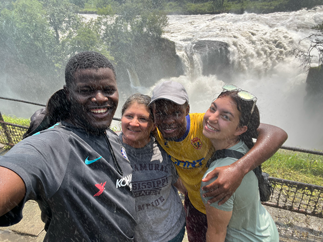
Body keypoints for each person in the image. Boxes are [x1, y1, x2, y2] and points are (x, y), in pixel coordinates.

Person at [0, 51, 136, 241]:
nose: (100, 98)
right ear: (68, 94)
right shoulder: (52, 145)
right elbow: (20, 164)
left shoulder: (110, 136)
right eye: (86, 90)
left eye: (108, 89)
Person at [149, 80, 287, 242]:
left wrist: (238, 169)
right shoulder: (156, 131)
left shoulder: (206, 126)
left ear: (187, 110)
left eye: (176, 113)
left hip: (222, 206)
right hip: (196, 206)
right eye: (160, 114)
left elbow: (276, 133)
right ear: (153, 115)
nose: (168, 120)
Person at [200, 85, 279, 241]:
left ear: (240, 129)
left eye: (225, 117)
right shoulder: (249, 150)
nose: (212, 118)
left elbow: (216, 234)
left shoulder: (216, 177)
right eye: (212, 108)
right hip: (266, 231)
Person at [119, 93, 186, 242]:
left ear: (153, 125)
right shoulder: (108, 149)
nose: (134, 123)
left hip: (171, 232)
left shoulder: (166, 148)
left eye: (142, 119)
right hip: (130, 236)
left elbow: (181, 182)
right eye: (129, 116)